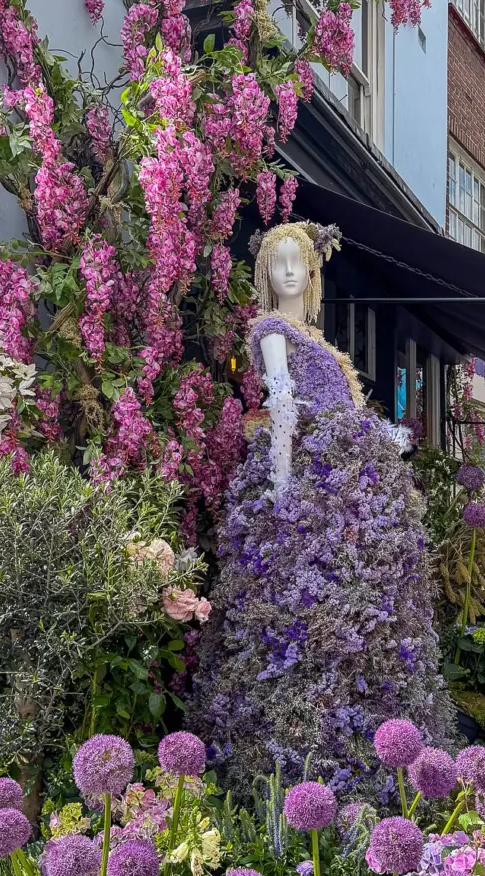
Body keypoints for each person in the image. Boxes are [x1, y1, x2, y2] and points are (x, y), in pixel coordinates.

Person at [187, 222, 457, 795]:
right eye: (277, 262)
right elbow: (282, 400)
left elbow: (338, 407)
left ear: (312, 272)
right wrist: (282, 485)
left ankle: (369, 748)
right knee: (304, 592)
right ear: (265, 272)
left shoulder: (313, 336)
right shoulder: (270, 330)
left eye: (297, 262)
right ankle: (295, 752)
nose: (288, 271)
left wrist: (385, 438)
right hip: (311, 474)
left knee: (366, 593)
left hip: (346, 473)